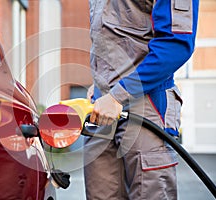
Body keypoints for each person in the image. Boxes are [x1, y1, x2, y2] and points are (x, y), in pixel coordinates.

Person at [84, 0, 199, 199]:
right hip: (102, 108)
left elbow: (176, 45)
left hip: (146, 104)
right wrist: (102, 82)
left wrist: (118, 94)